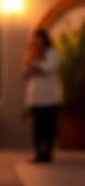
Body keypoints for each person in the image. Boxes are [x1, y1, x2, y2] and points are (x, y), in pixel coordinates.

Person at [22, 27, 63, 163]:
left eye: (38, 39)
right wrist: (31, 66)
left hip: (49, 98)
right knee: (37, 128)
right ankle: (39, 153)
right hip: (36, 98)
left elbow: (48, 69)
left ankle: (48, 153)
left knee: (49, 127)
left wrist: (35, 66)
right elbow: (26, 72)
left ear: (44, 40)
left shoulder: (53, 53)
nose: (36, 42)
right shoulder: (32, 54)